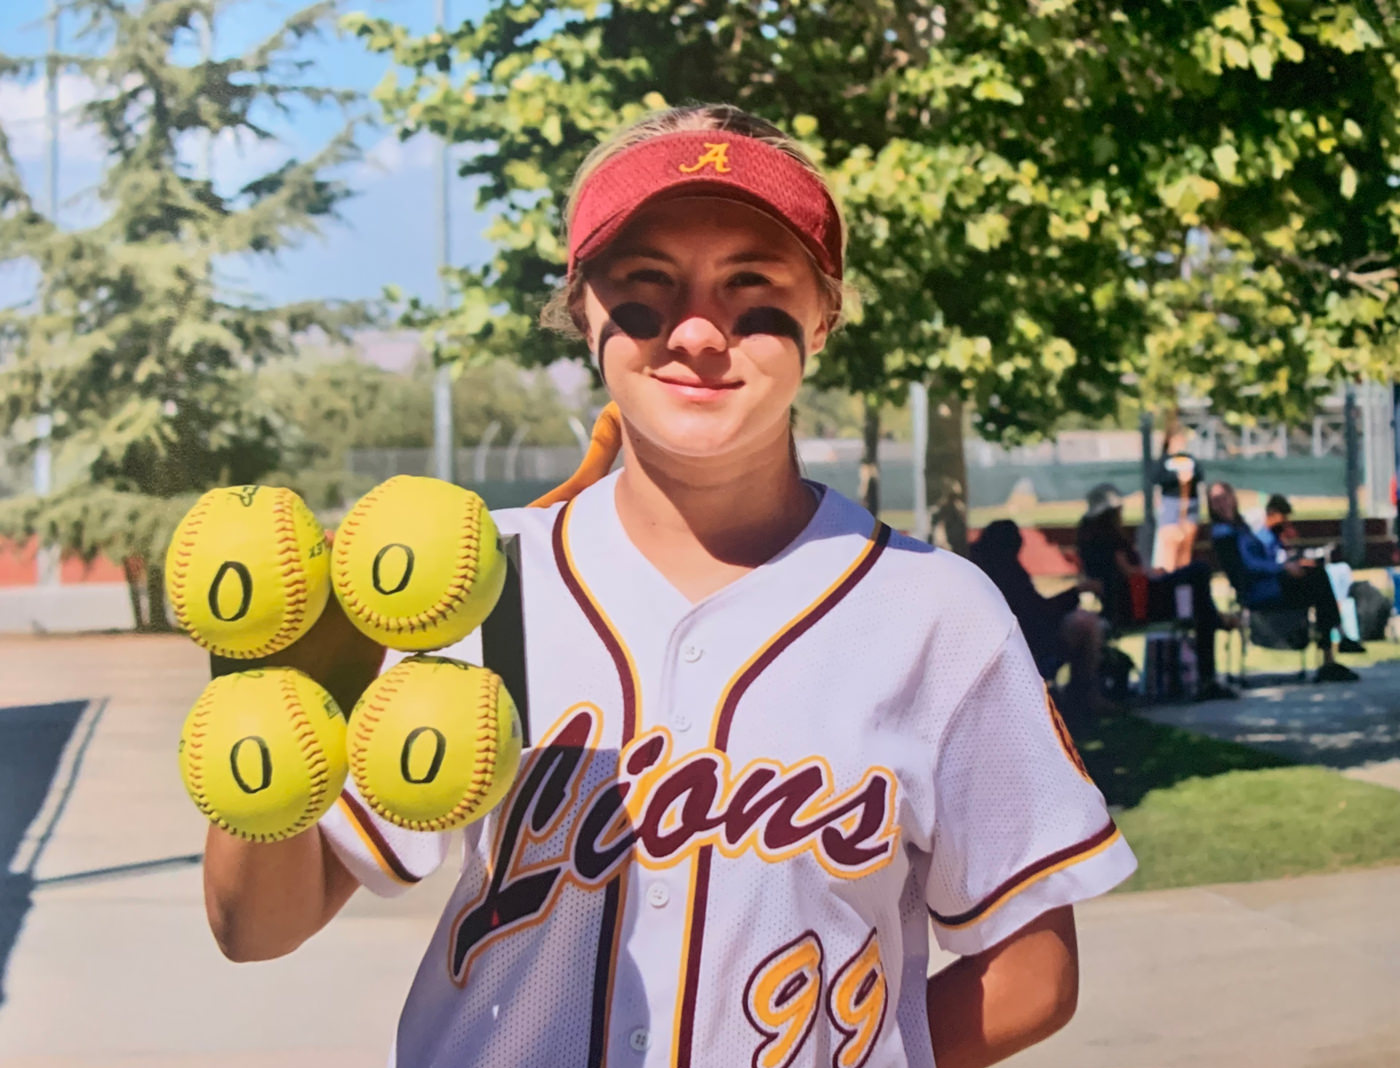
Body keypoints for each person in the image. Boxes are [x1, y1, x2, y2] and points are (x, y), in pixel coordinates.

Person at [201, 104, 1138, 1068]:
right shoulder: (479, 586)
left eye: (752, 283)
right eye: (646, 283)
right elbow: (257, 928)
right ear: (583, 310)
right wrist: (264, 703)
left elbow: (1033, 977)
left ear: (825, 313)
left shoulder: (931, 611)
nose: (697, 330)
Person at [1076, 483, 1237, 701]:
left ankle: (1214, 620)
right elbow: (1128, 573)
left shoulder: (1089, 540)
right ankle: (1210, 661)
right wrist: (1152, 574)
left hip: (1127, 601)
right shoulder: (1109, 540)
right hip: (1137, 603)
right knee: (1199, 572)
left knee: (1199, 601)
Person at [1207, 481, 1360, 683]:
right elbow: (1247, 566)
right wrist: (1283, 568)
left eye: (1224, 497)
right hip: (1260, 590)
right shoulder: (1224, 533)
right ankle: (1331, 652)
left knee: (1316, 575)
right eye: (1215, 500)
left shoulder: (1241, 526)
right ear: (1210, 505)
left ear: (1233, 498)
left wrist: (1290, 562)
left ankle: (1333, 650)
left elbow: (1263, 555)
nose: (1222, 503)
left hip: (1271, 581)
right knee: (1318, 580)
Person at [967, 519, 1113, 716]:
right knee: (1085, 625)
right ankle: (1084, 697)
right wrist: (1077, 592)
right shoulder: (1004, 571)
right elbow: (1037, 612)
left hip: (1016, 638)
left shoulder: (987, 566)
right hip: (1026, 642)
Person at [1152, 426, 1204, 571]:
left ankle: (1183, 576)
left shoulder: (1190, 459)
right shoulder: (1164, 461)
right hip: (1171, 504)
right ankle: (1170, 577)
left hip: (1189, 504)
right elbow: (1156, 478)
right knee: (1170, 543)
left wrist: (1190, 477)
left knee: (1186, 544)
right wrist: (1176, 477)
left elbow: (1200, 475)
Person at [1256, 493, 1294, 564]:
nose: (1285, 520)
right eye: (1283, 516)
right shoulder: (1263, 538)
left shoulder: (1275, 534)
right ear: (1273, 513)